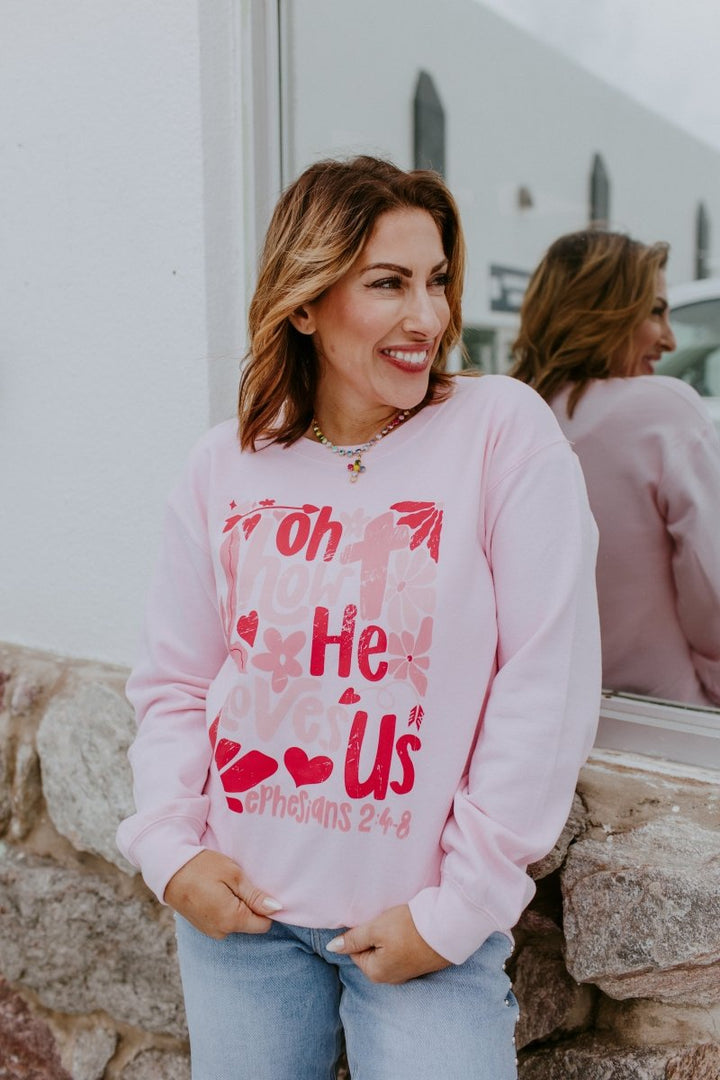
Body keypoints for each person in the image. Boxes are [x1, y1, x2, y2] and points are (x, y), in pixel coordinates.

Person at [117, 156, 600, 1080]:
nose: (429, 317)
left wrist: (457, 910)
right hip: (242, 923)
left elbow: (547, 679)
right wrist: (172, 853)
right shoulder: (226, 465)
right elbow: (177, 681)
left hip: (421, 927)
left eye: (437, 280)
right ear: (305, 303)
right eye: (388, 284)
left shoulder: (500, 431)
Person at [511, 229, 720, 708]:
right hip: (665, 712)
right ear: (605, 310)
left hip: (541, 711)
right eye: (655, 311)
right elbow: (712, 585)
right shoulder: (664, 412)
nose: (669, 339)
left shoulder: (503, 418)